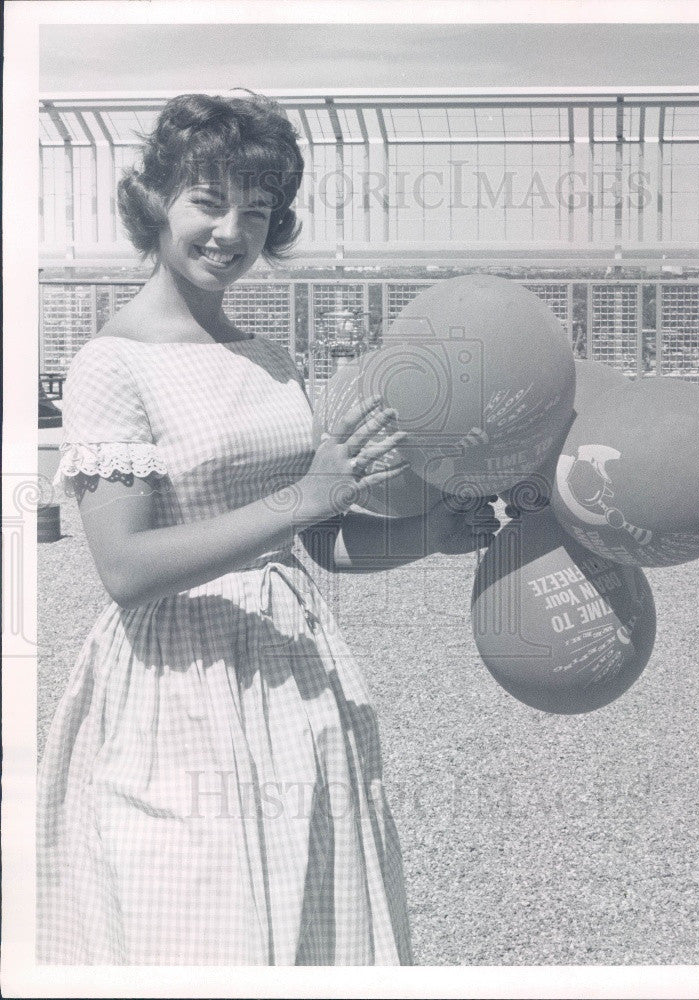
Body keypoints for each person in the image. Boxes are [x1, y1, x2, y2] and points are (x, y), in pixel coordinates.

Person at [36, 92, 498, 966]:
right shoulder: (109, 365)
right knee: (204, 925)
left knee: (306, 914)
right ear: (156, 201)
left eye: (256, 211)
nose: (231, 233)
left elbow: (317, 540)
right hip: (177, 682)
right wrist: (305, 498)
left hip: (294, 673)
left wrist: (431, 534)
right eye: (208, 202)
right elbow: (125, 568)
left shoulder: (267, 355)